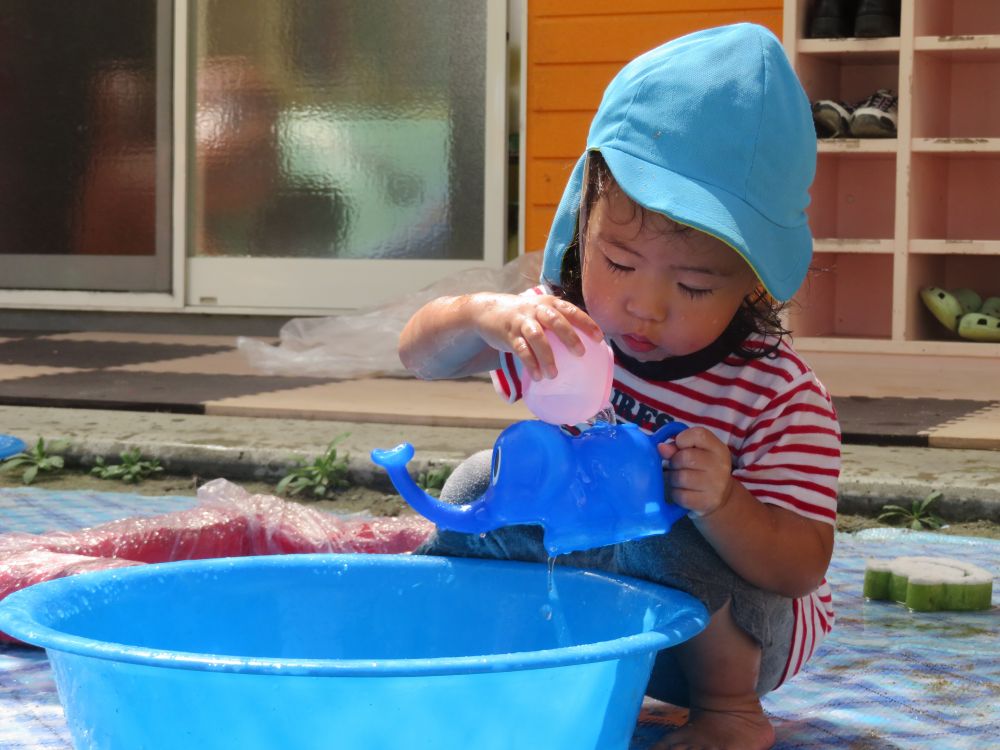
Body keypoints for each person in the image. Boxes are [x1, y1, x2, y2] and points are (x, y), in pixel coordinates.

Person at [398, 23, 840, 750]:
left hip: (721, 642)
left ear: (752, 282)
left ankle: (731, 718)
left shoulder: (775, 393)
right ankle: (461, 651)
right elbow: (422, 357)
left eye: (694, 284)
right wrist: (483, 315)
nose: (645, 305)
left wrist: (723, 503)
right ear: (582, 224)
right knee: (480, 479)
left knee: (668, 522)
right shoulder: (573, 334)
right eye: (621, 262)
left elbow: (798, 569)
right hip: (589, 605)